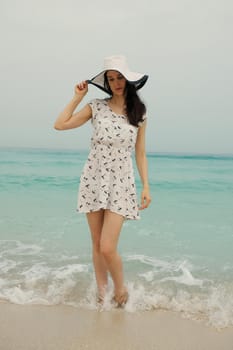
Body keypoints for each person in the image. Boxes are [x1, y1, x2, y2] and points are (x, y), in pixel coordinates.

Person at [54, 55, 151, 306]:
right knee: (96, 244)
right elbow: (60, 125)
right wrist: (77, 97)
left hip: (121, 180)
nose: (116, 82)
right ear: (106, 82)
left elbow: (140, 152)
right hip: (94, 177)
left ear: (128, 80)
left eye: (119, 77)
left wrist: (146, 186)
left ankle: (120, 292)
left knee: (108, 246)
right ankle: (101, 296)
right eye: (111, 79)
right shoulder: (96, 106)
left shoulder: (139, 113)